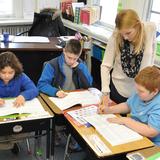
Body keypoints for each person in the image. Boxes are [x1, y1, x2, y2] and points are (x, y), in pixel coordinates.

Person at [37, 38, 93, 151]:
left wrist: (79, 68)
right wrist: (55, 91)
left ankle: (72, 134)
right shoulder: (52, 65)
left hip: (74, 100)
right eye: (69, 57)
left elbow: (88, 84)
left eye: (75, 58)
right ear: (63, 51)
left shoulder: (80, 65)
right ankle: (58, 132)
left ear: (79, 55)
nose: (72, 61)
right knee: (59, 119)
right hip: (58, 100)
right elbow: (41, 85)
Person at [101, 9, 156, 106]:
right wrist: (105, 92)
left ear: (138, 25)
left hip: (141, 92)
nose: (125, 37)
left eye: (128, 33)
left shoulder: (150, 29)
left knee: (133, 121)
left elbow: (151, 60)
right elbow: (105, 65)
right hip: (119, 89)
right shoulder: (117, 35)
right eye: (122, 34)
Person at [98, 66, 160, 146]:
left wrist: (126, 121)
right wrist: (110, 110)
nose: (137, 93)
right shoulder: (140, 94)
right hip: (134, 134)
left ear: (155, 91)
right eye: (137, 89)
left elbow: (152, 132)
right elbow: (128, 105)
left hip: (151, 144)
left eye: (141, 91)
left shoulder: (158, 105)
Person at [0, 51, 38, 154]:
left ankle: (10, 142)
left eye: (10, 72)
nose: (7, 76)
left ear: (15, 70)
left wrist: (23, 95)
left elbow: (34, 89)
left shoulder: (20, 76)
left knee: (26, 126)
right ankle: (9, 142)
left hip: (14, 113)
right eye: (3, 72)